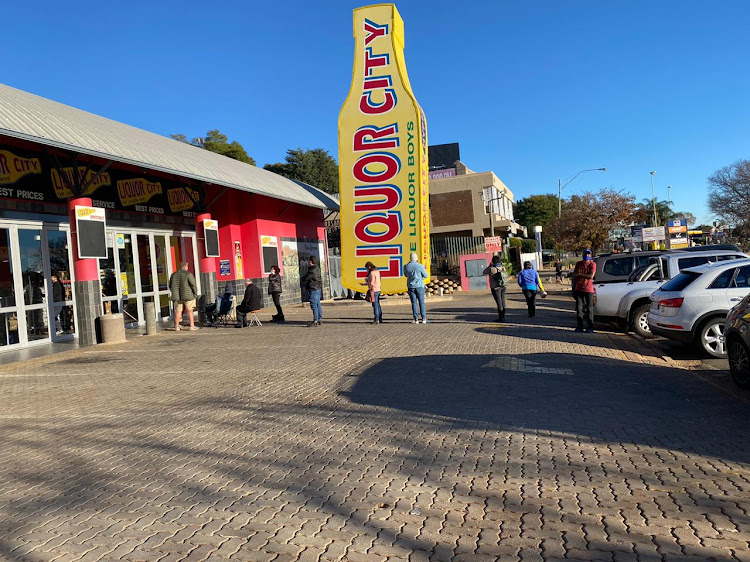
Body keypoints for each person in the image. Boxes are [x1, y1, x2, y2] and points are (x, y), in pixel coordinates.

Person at [572, 249, 597, 333]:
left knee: (590, 309)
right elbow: (574, 275)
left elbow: (591, 276)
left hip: (588, 289)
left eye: (589, 254)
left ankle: (590, 327)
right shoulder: (579, 264)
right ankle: (580, 326)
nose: (587, 256)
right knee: (579, 308)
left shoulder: (592, 264)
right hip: (579, 288)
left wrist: (580, 275)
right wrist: (580, 275)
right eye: (586, 254)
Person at [169, 261, 198, 331]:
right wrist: (195, 294)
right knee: (190, 310)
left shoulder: (173, 275)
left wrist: (174, 293)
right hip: (188, 296)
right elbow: (193, 285)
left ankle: (176, 326)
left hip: (177, 297)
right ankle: (192, 326)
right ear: (185, 266)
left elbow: (170, 285)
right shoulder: (188, 274)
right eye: (187, 266)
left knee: (178, 311)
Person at [403, 252, 428, 324]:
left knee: (414, 303)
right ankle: (423, 318)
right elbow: (426, 275)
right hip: (419, 286)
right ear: (416, 258)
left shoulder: (406, 266)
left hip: (411, 286)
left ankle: (415, 319)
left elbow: (405, 275)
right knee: (421, 303)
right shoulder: (420, 266)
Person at [482, 256, 509, 321]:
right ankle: (503, 316)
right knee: (503, 301)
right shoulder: (503, 268)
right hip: (503, 286)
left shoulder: (492, 269)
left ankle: (501, 318)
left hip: (496, 288)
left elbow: (484, 272)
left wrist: (490, 265)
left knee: (499, 302)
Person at [301, 255, 323, 327]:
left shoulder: (312, 270)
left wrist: (302, 278)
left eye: (308, 261)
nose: (307, 262)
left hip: (313, 289)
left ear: (311, 262)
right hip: (318, 288)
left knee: (314, 305)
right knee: (317, 304)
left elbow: (306, 278)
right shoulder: (317, 268)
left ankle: (315, 320)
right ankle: (319, 319)